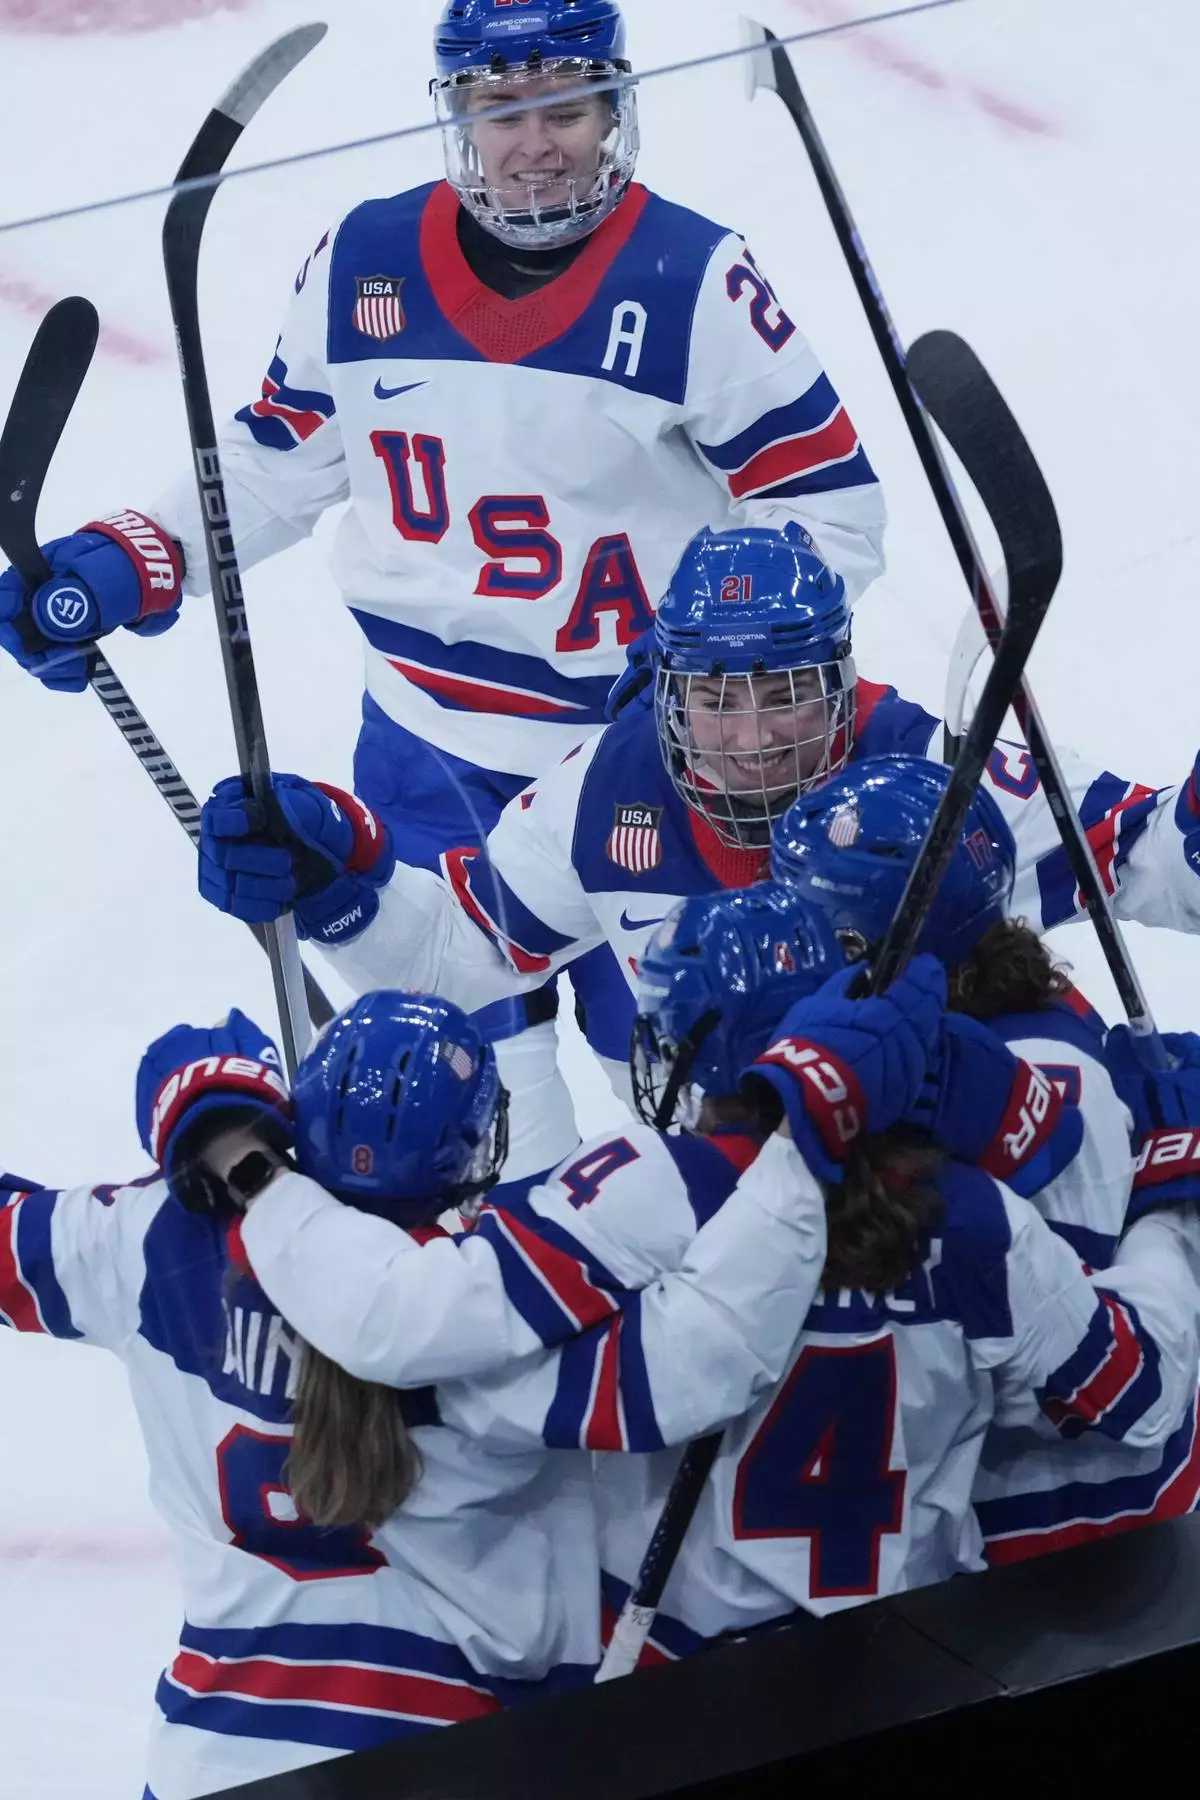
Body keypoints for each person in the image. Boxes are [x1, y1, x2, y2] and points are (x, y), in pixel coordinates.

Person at [0, 0, 887, 1196]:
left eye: (564, 108)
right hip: (422, 755)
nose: (537, 143)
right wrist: (135, 557)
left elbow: (830, 511)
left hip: (641, 764)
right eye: (499, 109)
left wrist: (711, 651)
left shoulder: (694, 283)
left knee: (694, 1112)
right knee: (470, 1130)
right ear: (456, 114)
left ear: (615, 107)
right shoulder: (361, 260)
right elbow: (278, 458)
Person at [227, 882, 1186, 1662]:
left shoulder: (649, 1193)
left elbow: (430, 1346)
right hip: (923, 1655)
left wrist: (283, 1186)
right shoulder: (978, 1217)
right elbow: (1142, 1398)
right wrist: (1166, 1203)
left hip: (680, 1675)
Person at [1, 989, 857, 1799]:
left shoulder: (157, 1239)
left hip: (210, 1757)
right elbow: (696, 1359)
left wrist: (204, 1105)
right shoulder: (503, 1313)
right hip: (454, 1756)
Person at [193, 523, 1200, 1115]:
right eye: (718, 699)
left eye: (784, 694)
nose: (752, 738)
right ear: (669, 692)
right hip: (722, 1216)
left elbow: (1157, 859)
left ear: (843, 682)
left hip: (949, 1200)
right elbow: (462, 958)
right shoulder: (609, 786)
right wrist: (337, 881)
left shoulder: (940, 772)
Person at [768, 752, 1200, 1557]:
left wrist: (1165, 1206)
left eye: (810, 918)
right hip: (973, 1524)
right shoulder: (1038, 1036)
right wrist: (1167, 1191)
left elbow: (1085, 1387)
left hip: (1050, 1541)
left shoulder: (997, 1092)